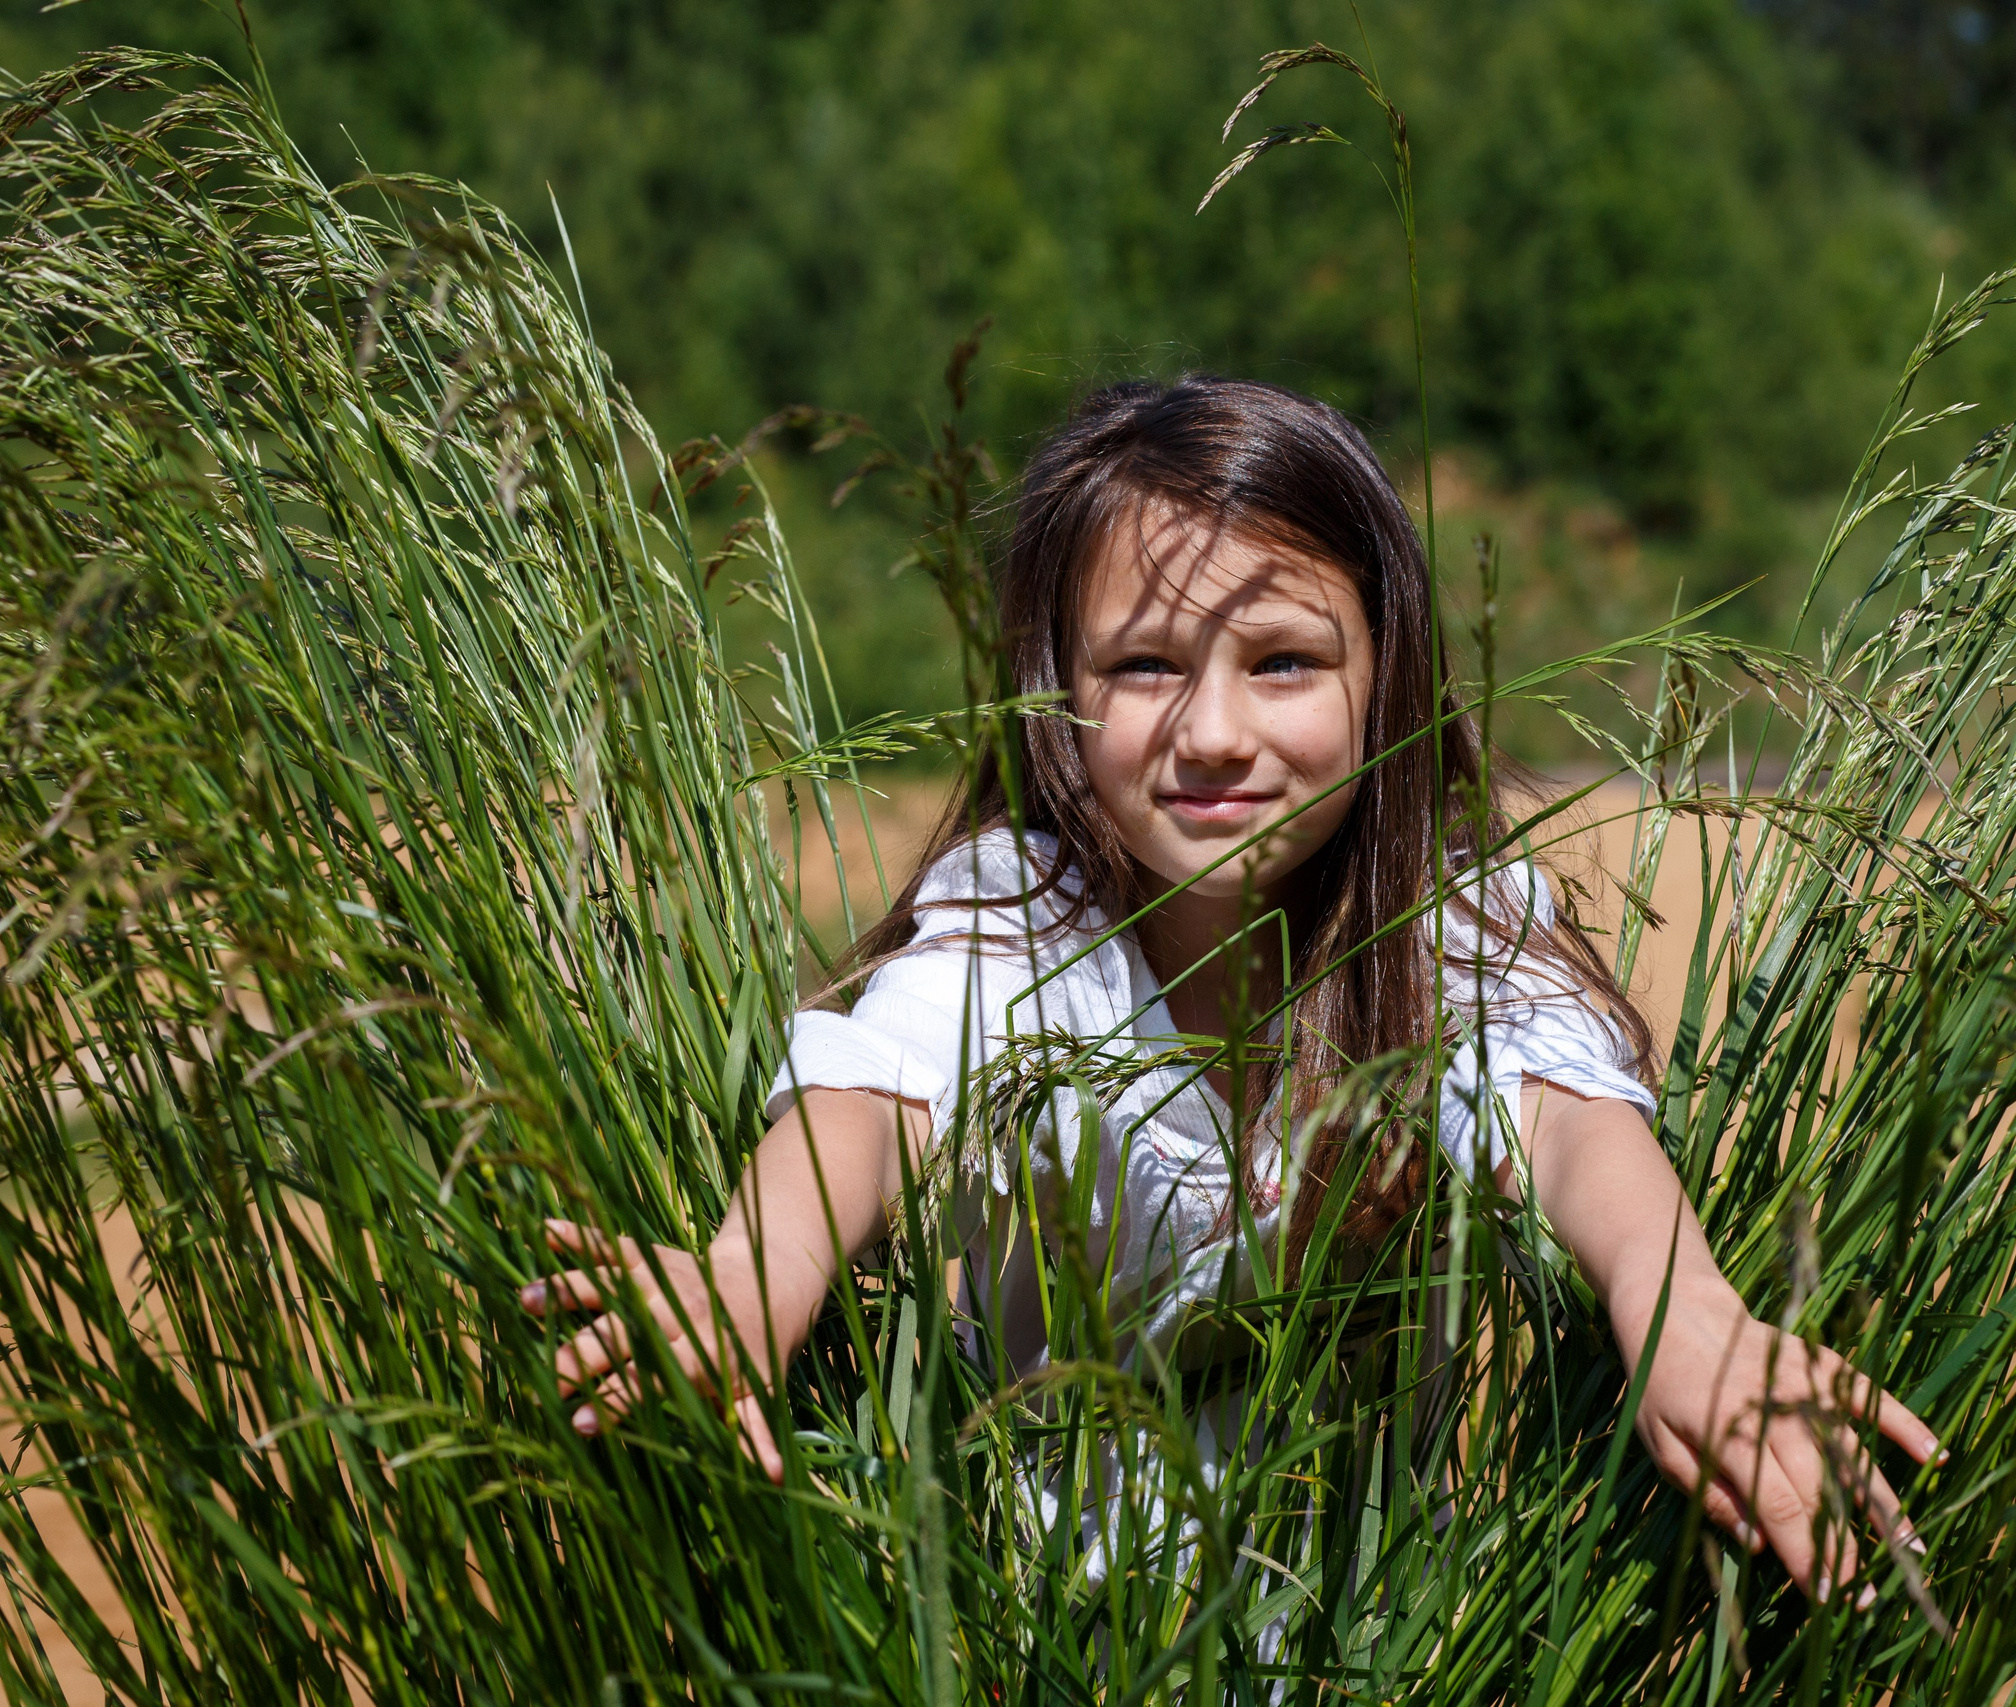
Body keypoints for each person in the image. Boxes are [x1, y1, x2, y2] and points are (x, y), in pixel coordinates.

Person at [522, 375, 1938, 1605]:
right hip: (1027, 1623)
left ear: (1386, 678)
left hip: (1369, 1628)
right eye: (1145, 665)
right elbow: (872, 1096)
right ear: (1057, 691)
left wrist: (1682, 1303)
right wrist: (753, 1271)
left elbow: (1565, 1116)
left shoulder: (1440, 927)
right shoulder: (1028, 921)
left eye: (1284, 663)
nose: (1212, 732)